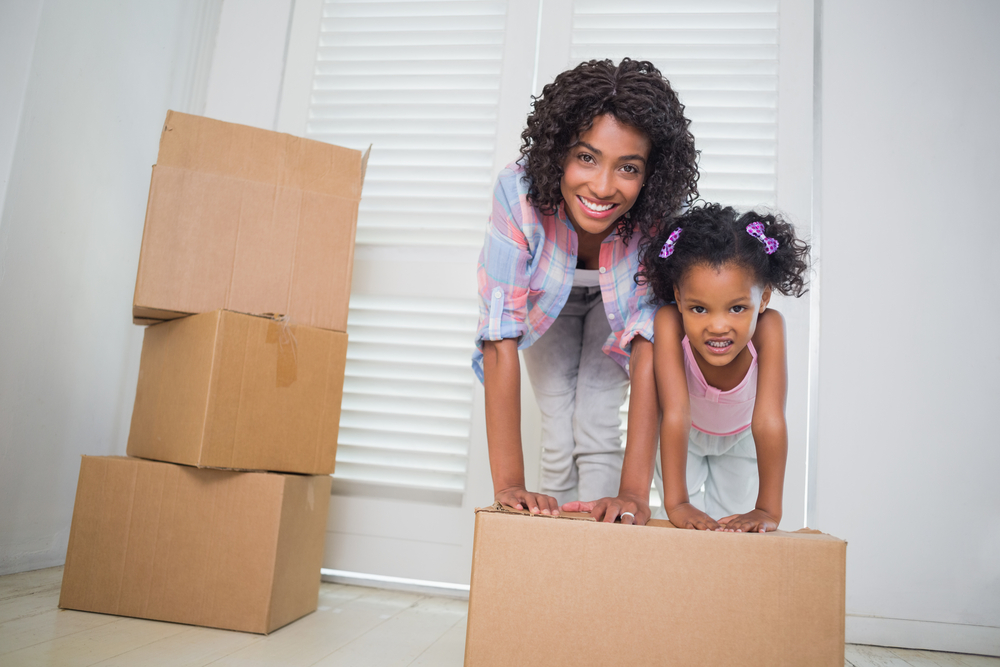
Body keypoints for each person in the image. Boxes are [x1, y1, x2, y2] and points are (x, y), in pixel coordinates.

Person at [473, 58, 699, 515]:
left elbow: (648, 343)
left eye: (628, 168)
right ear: (558, 150)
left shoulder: (656, 219)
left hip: (616, 305)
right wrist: (509, 486)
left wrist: (633, 494)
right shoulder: (516, 194)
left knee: (596, 421)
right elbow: (500, 333)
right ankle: (555, 556)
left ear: (650, 173)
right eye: (586, 157)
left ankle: (598, 560)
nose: (602, 186)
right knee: (557, 427)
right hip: (543, 305)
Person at [571, 203, 810, 531]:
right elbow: (675, 413)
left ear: (764, 298)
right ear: (679, 298)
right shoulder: (669, 322)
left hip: (740, 440)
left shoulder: (770, 329)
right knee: (689, 526)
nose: (718, 326)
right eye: (699, 309)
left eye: (737, 308)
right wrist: (677, 503)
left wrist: (768, 509)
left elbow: (769, 420)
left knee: (733, 529)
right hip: (685, 437)